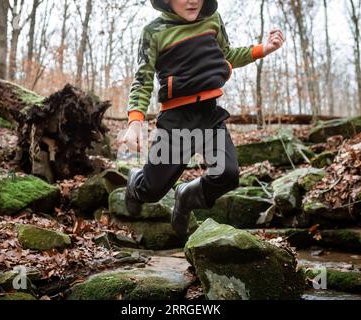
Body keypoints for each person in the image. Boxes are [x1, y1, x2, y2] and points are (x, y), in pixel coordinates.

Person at [119, 0, 285, 237]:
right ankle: (136, 182)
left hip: (209, 114)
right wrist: (135, 122)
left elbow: (226, 54)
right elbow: (143, 79)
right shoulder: (153, 32)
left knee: (227, 174)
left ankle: (186, 195)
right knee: (152, 191)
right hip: (176, 121)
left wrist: (263, 49)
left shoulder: (212, 21)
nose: (192, 1)